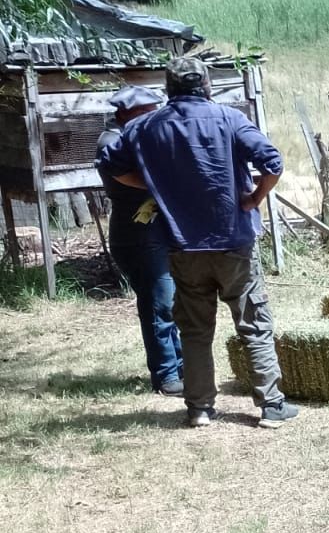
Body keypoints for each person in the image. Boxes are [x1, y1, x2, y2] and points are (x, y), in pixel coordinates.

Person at [97, 55, 298, 430]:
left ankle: (200, 409)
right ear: (206, 85)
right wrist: (254, 199)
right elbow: (272, 163)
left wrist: (156, 186)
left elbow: (110, 163)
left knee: (194, 330)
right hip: (233, 242)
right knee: (253, 323)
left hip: (182, 246)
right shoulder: (229, 118)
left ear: (168, 89)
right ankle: (271, 406)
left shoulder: (146, 125)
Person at [95, 86, 184, 396]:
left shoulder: (138, 134)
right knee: (159, 303)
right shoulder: (112, 141)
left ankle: (180, 367)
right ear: (125, 113)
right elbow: (138, 177)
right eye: (146, 111)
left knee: (168, 302)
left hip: (154, 231)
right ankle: (167, 375)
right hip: (136, 235)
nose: (153, 115)